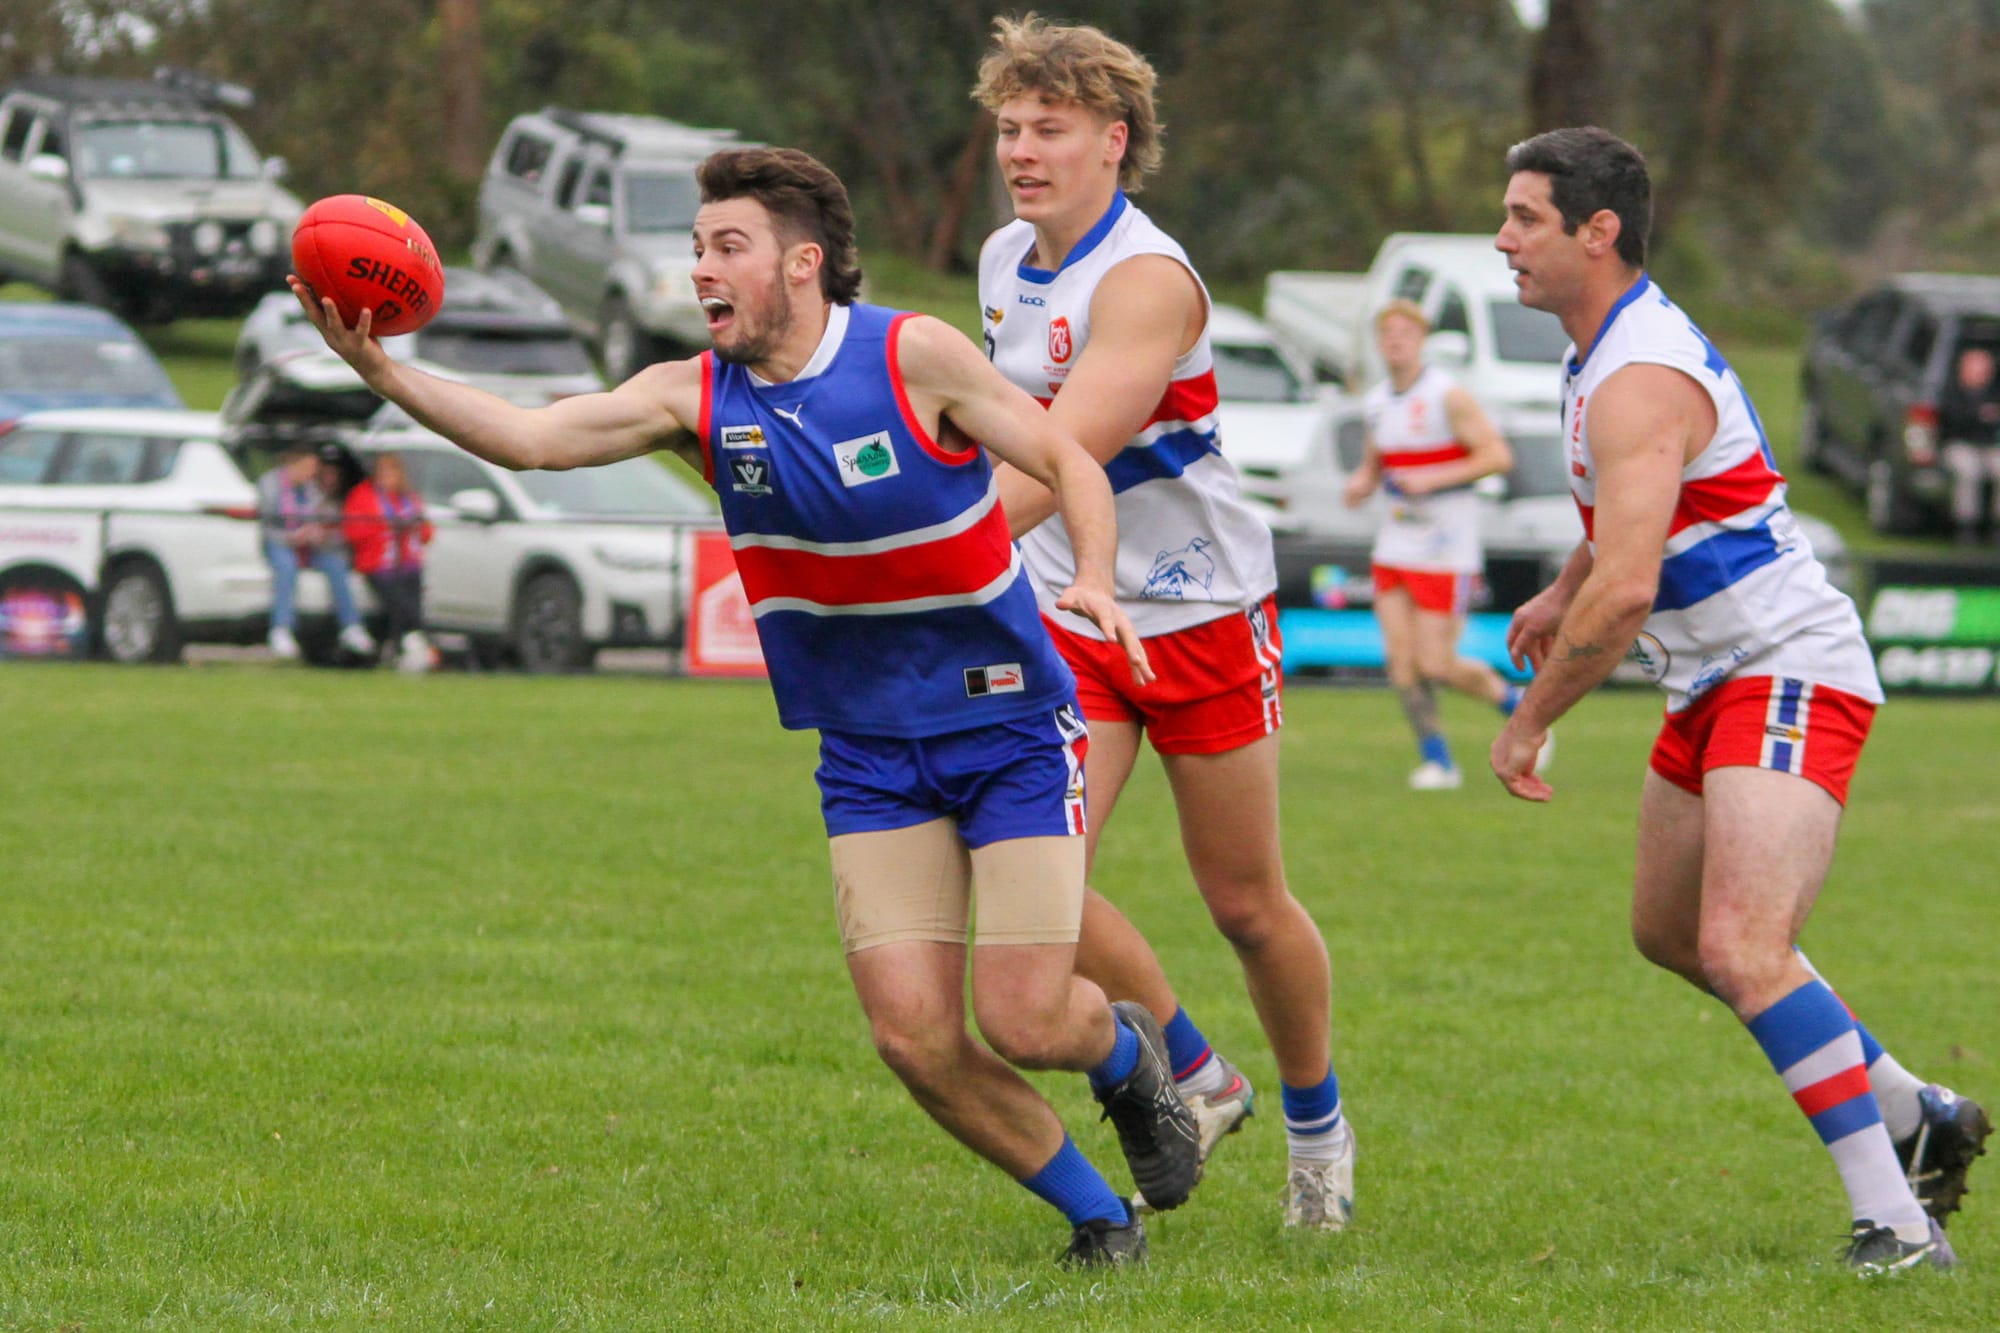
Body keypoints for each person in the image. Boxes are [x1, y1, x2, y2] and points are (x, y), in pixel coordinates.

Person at [293, 145, 1202, 1268]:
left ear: (802, 264)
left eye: (728, 247)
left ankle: (1123, 1056)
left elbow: (1068, 458)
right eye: (696, 249)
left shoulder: (912, 355)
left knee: (1023, 1017)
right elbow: (532, 438)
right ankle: (1101, 1220)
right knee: (912, 1038)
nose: (701, 270)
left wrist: (1095, 577)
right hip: (868, 752)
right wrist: (382, 371)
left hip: (1007, 726)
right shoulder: (694, 396)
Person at [1491, 126, 1988, 1274]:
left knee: (1742, 944)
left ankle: (1894, 1226)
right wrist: (1557, 588)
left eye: (1523, 217)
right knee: (1669, 932)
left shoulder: (1635, 373)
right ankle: (1914, 1111)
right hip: (1713, 678)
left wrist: (1530, 718)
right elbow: (1630, 523)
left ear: (1596, 231)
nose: (1502, 238)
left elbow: (1626, 593)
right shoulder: (1601, 354)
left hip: (1784, 664)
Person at [972, 15, 1354, 1229]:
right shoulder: (1001, 259)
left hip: (1198, 610)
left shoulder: (1146, 279)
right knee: (1032, 875)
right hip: (1064, 609)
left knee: (1244, 900)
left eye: (1047, 128)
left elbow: (1063, 451)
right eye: (1008, 128)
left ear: (1112, 139)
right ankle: (1197, 1072)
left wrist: (911, 558)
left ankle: (1316, 1129)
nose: (1020, 151)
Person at [1342, 298, 1535, 790]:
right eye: (1387, 333)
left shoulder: (1447, 395)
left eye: (1405, 332)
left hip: (1446, 548)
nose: (1396, 341)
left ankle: (1520, 710)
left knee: (1436, 663)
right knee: (1402, 665)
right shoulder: (1377, 401)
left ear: (1421, 340)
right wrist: (1362, 483)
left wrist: (1433, 478)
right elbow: (1375, 464)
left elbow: (1497, 456)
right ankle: (1438, 762)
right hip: (1395, 543)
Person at [256, 442, 373, 661]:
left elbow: (321, 515)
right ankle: (281, 629)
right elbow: (267, 524)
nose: (312, 473)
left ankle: (352, 627)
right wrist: (291, 537)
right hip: (279, 541)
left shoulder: (311, 488)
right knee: (286, 567)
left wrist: (316, 533)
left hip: (309, 544)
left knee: (336, 564)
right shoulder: (270, 484)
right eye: (309, 467)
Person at [343, 451, 435, 672]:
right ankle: (407, 648)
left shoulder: (408, 498)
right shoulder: (363, 495)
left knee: (410, 608)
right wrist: (385, 527)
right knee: (401, 607)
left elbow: (426, 532)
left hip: (409, 565)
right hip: (378, 565)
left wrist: (412, 527)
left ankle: (398, 650)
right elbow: (353, 531)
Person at [1939, 344, 2000, 545]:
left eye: (1985, 369)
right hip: (1959, 445)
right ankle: (1966, 526)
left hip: (1989, 446)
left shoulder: (1994, 391)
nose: (1981, 374)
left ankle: (1996, 526)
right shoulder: (1951, 391)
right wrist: (1980, 416)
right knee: (1969, 470)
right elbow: (1952, 420)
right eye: (1976, 368)